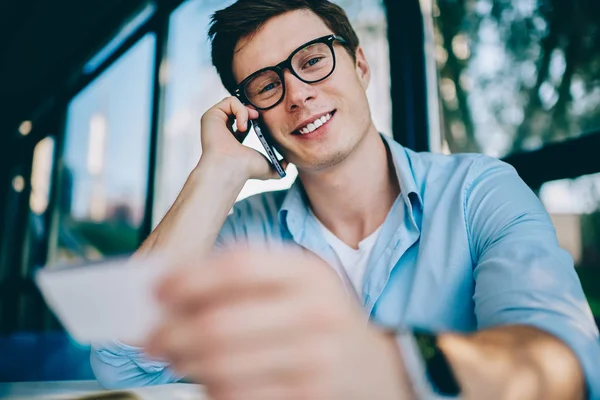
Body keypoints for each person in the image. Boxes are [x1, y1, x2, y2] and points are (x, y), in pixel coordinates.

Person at [90, 0, 600, 398]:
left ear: (360, 64)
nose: (297, 94)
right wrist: (217, 172)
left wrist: (389, 364)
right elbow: (120, 360)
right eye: (267, 86)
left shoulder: (478, 192)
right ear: (253, 118)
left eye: (312, 60)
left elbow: (566, 364)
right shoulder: (244, 233)